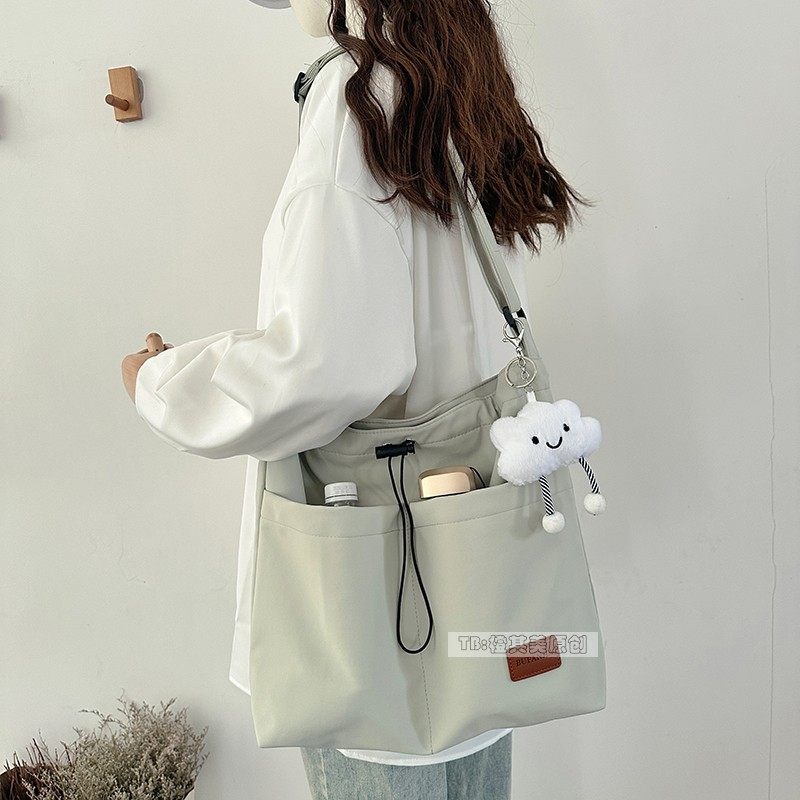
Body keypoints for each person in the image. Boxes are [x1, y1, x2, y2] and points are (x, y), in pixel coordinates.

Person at [121, 0, 588, 797]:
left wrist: (160, 384)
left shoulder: (358, 98)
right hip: (482, 581)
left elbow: (328, 366)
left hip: (381, 615)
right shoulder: (452, 80)